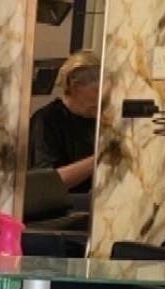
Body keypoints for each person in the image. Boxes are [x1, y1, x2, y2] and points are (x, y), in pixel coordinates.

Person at [28, 51, 101, 193]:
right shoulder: (46, 120)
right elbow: (47, 182)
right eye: (97, 90)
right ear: (75, 86)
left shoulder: (100, 119)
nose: (102, 96)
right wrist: (98, 159)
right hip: (60, 204)